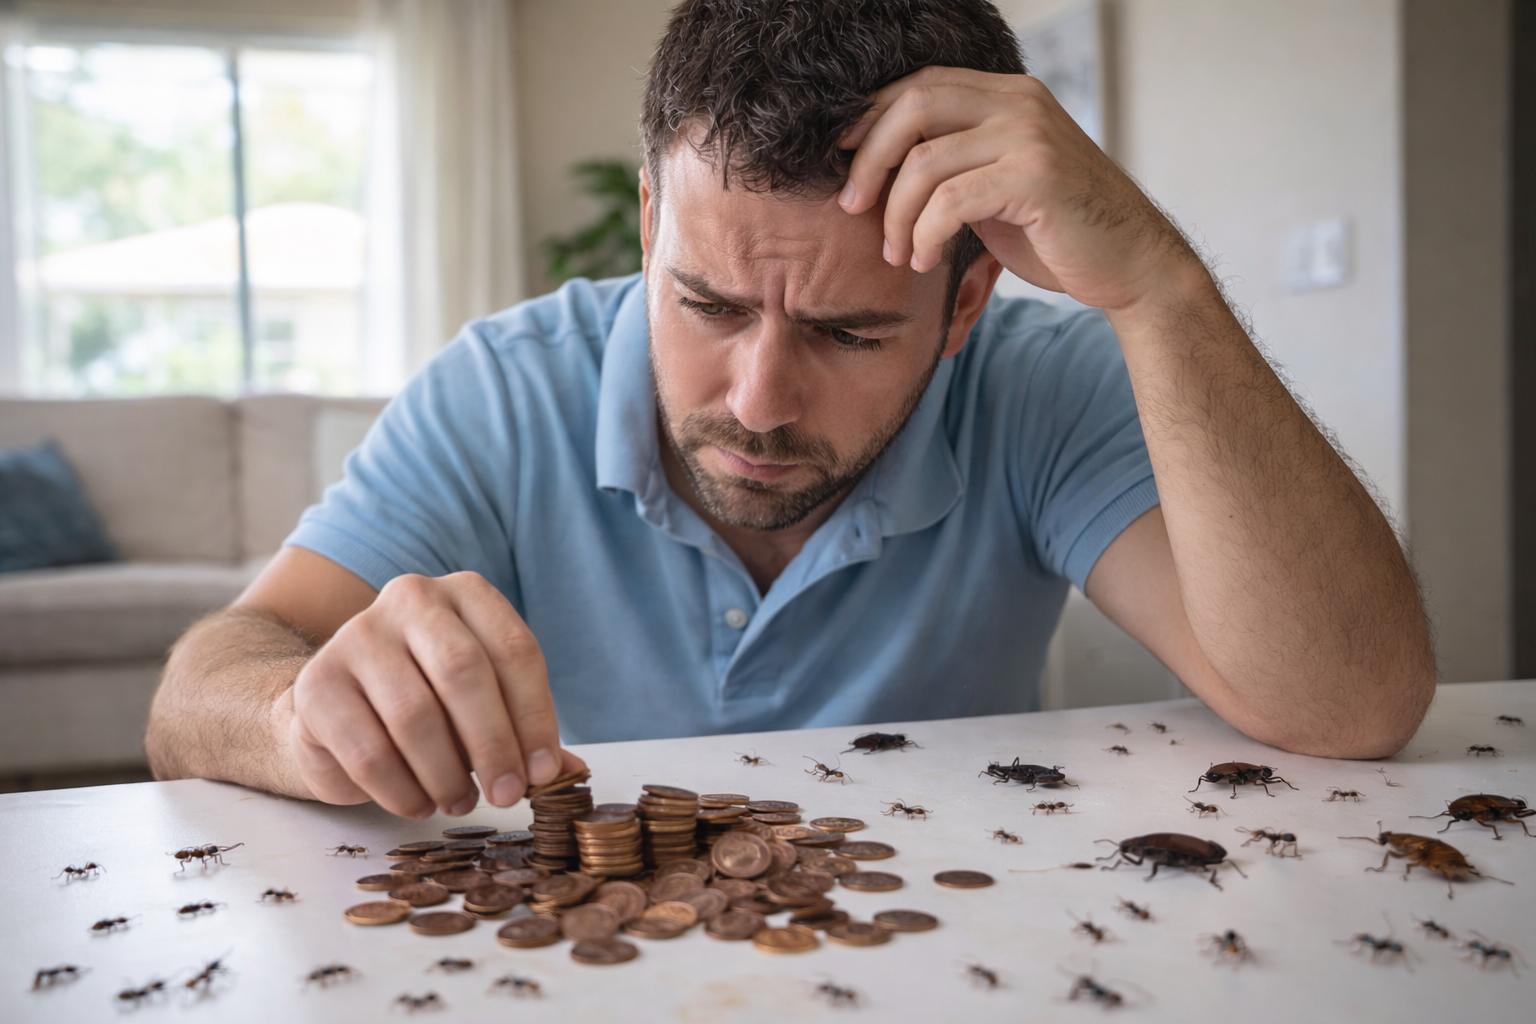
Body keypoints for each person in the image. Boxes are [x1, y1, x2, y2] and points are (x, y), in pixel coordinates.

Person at [146, 0, 1434, 821]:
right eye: (705, 304)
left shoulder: (1041, 384)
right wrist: (296, 711)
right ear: (652, 230)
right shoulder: (506, 382)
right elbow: (196, 697)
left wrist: (1164, 289)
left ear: (968, 299)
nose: (757, 403)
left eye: (851, 331)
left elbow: (1349, 709)